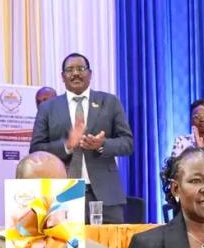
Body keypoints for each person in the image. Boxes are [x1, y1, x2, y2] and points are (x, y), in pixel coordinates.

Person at [29, 53, 134, 224]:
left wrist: (102, 144)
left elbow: (128, 143)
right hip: (62, 194)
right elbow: (36, 150)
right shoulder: (48, 108)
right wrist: (67, 145)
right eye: (70, 70)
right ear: (63, 77)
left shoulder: (109, 102)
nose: (75, 73)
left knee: (111, 246)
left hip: (105, 194)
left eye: (81, 69)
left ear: (90, 74)